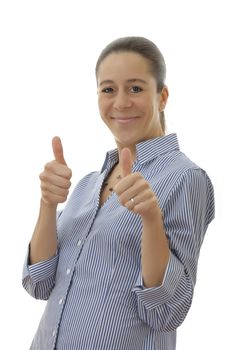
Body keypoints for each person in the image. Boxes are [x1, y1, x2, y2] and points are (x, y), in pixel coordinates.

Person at [22, 36, 215, 350]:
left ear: (162, 97)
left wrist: (151, 220)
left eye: (136, 88)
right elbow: (39, 283)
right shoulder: (86, 185)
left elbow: (166, 311)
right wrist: (47, 204)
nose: (121, 102)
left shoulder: (185, 177)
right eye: (108, 89)